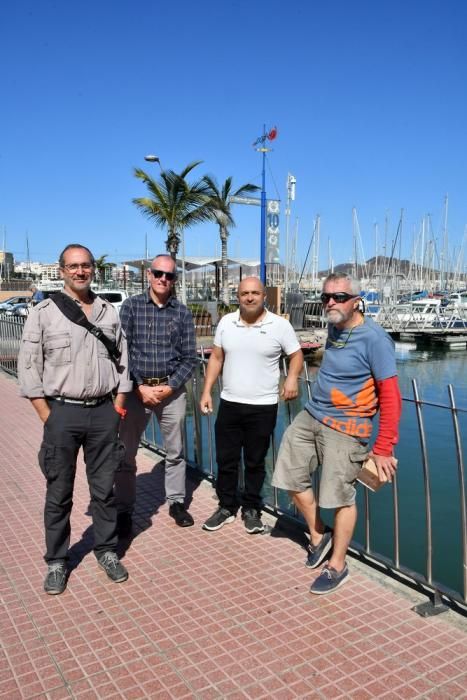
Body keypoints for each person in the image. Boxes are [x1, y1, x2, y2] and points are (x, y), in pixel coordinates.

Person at [272, 272, 402, 594]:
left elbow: (391, 396)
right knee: (288, 475)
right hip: (312, 416)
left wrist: (384, 446)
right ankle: (319, 535)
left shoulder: (375, 339)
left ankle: (337, 566)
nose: (331, 302)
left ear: (357, 301)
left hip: (347, 429)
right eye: (326, 297)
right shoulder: (333, 326)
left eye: (340, 297)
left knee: (340, 497)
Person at [18, 244, 132, 595]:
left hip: (102, 412)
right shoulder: (44, 312)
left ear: (93, 269)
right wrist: (47, 415)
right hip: (61, 412)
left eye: (85, 266)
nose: (80, 272)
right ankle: (56, 560)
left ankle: (107, 551)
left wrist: (118, 405)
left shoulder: (108, 312)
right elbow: (28, 366)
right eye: (73, 266)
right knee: (59, 492)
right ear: (61, 270)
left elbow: (123, 362)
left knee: (104, 491)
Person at [200, 277, 303, 534]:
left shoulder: (279, 325)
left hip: (263, 406)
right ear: (238, 296)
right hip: (230, 403)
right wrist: (206, 392)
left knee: (256, 461)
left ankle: (251, 509)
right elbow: (216, 357)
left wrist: (291, 378)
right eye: (244, 293)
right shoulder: (226, 322)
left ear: (264, 296)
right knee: (226, 460)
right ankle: (226, 506)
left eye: (255, 293)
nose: (249, 297)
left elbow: (296, 354)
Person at [115, 254, 197, 534]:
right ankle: (125, 508)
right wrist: (139, 386)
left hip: (170, 391)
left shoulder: (182, 313)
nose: (164, 279)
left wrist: (169, 387)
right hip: (137, 391)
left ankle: (175, 501)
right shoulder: (131, 307)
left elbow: (190, 359)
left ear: (174, 279)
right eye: (159, 273)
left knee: (175, 452)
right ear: (149, 275)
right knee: (126, 453)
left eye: (170, 275)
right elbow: (121, 352)